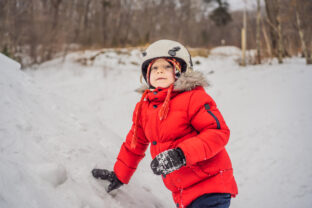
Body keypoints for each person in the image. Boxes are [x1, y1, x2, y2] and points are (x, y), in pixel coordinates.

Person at [91, 40, 238, 208]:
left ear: (181, 70)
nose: (160, 70)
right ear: (147, 74)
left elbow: (218, 132)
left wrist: (181, 155)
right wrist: (119, 175)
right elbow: (134, 144)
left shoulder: (193, 97)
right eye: (154, 67)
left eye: (167, 66)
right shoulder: (144, 108)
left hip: (211, 187)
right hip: (183, 195)